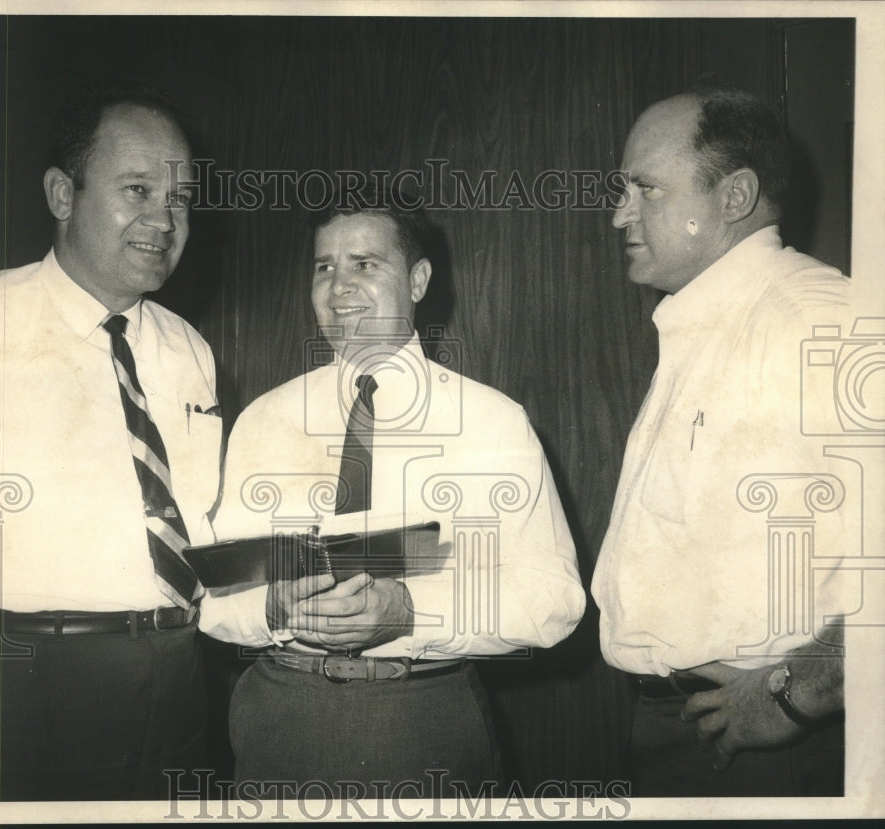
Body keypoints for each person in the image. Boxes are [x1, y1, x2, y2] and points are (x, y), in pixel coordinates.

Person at [199, 192, 585, 799]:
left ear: (419, 280)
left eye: (365, 264)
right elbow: (212, 598)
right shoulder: (263, 420)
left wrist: (410, 612)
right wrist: (272, 609)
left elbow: (554, 600)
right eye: (324, 267)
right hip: (277, 715)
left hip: (423, 713)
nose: (339, 286)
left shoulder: (491, 421)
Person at [0, 83, 223, 801]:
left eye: (179, 198)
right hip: (11, 682)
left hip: (179, 672)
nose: (164, 219)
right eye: (138, 190)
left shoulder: (192, 349)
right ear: (62, 194)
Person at [592, 86, 856, 796]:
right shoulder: (700, 325)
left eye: (644, 189)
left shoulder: (819, 317)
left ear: (734, 195)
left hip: (772, 741)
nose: (620, 213)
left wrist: (804, 688)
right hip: (683, 726)